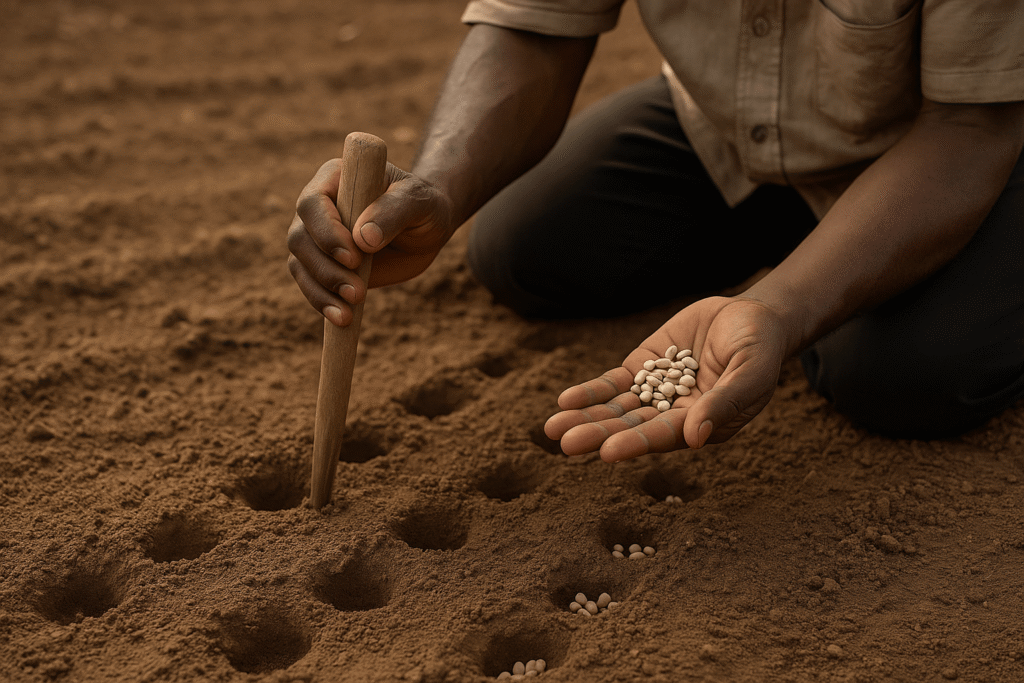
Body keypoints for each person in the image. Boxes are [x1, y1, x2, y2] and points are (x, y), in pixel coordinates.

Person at [287, 0, 1024, 463]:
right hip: (740, 125)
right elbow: (535, 27)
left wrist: (779, 306)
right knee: (523, 249)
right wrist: (438, 183)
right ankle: (812, 232)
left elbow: (971, 127)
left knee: (898, 373)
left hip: (954, 136)